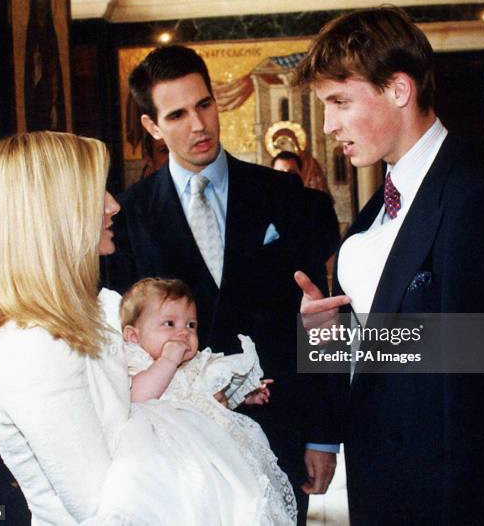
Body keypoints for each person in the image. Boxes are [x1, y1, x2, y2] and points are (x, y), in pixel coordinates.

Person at [292, 7, 484, 525]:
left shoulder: (476, 201)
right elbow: (393, 347)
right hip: (383, 485)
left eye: (339, 101)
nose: (327, 125)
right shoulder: (382, 203)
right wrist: (326, 337)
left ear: (399, 90)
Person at [105, 44, 340, 522]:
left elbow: (320, 321)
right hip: (180, 448)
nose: (198, 125)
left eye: (204, 105)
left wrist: (321, 433)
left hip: (283, 428)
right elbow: (121, 345)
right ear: (152, 126)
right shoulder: (128, 218)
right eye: (177, 114)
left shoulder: (284, 196)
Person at [0, 132, 128, 524]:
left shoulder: (75, 319)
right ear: (52, 215)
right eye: (97, 191)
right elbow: (104, 510)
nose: (114, 205)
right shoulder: (31, 347)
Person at [98, 277, 296, 524]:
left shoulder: (199, 365)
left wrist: (241, 396)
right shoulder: (135, 363)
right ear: (133, 336)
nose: (183, 332)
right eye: (169, 324)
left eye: (191, 325)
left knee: (239, 500)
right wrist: (167, 362)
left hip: (216, 456)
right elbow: (137, 397)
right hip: (170, 463)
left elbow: (211, 402)